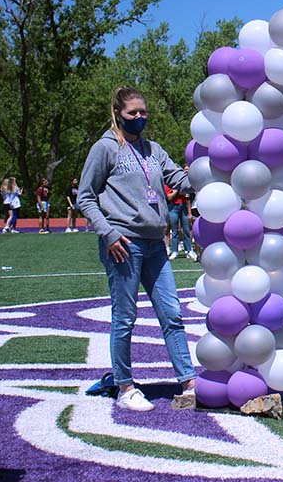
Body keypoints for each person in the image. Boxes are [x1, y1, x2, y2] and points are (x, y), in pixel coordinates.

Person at [77, 86, 196, 412]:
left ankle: (188, 381)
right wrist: (108, 233)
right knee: (125, 317)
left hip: (156, 244)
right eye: (133, 113)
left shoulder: (153, 149)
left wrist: (206, 170)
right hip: (123, 245)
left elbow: (179, 180)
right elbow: (85, 197)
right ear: (118, 114)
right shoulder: (106, 149)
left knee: (172, 314)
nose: (139, 118)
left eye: (143, 112)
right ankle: (125, 385)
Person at [165, 183, 197, 261]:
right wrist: (177, 189)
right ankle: (174, 251)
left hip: (184, 207)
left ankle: (189, 250)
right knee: (174, 231)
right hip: (173, 208)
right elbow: (169, 197)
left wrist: (189, 213)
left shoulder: (184, 186)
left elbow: (188, 199)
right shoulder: (167, 186)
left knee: (186, 230)